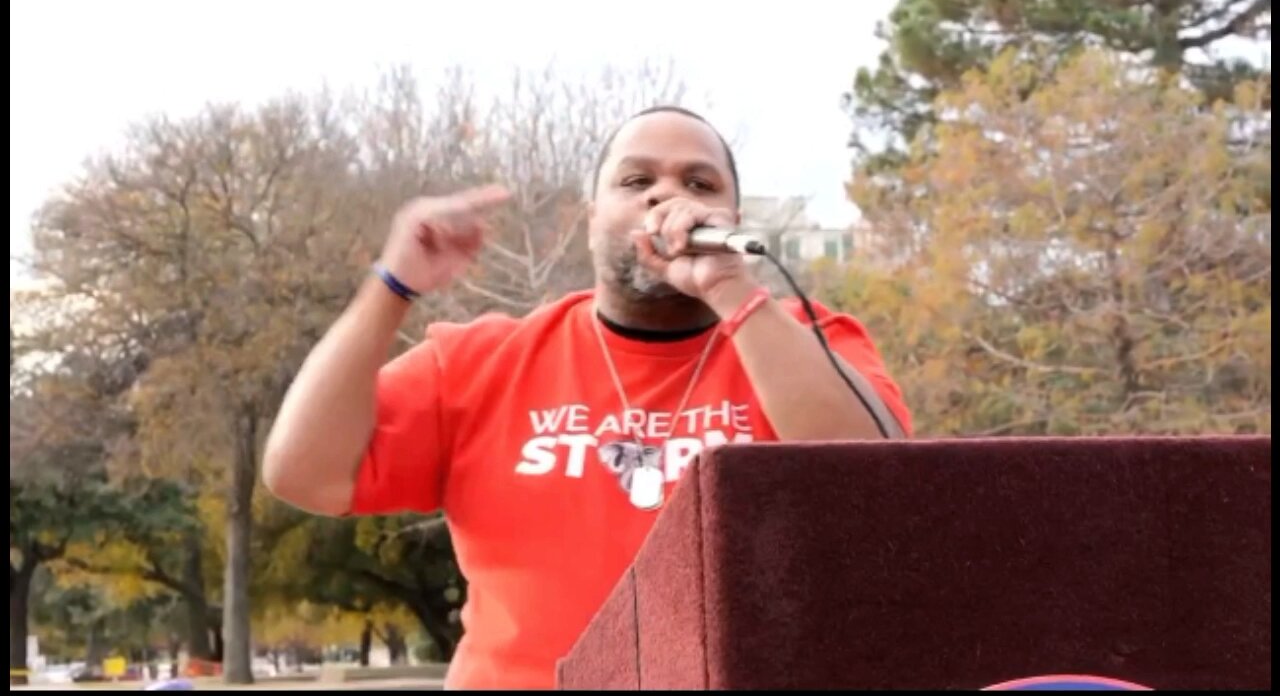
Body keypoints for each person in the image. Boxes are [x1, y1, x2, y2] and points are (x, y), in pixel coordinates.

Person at [263, 105, 913, 689]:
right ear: (591, 218)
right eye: (636, 181)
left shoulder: (808, 344)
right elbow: (304, 474)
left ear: (733, 222)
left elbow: (878, 487)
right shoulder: (479, 363)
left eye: (700, 183)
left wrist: (732, 291)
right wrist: (392, 286)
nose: (668, 196)